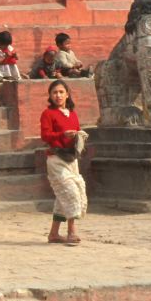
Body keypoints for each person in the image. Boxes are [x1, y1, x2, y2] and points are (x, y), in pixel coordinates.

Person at [40, 80, 86, 244]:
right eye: (54, 93)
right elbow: (45, 136)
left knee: (63, 196)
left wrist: (78, 136)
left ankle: (53, 233)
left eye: (61, 92)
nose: (58, 95)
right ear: (50, 96)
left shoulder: (72, 113)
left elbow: (76, 132)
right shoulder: (48, 114)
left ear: (67, 94)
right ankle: (71, 232)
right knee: (71, 193)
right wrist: (61, 135)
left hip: (71, 159)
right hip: (55, 159)